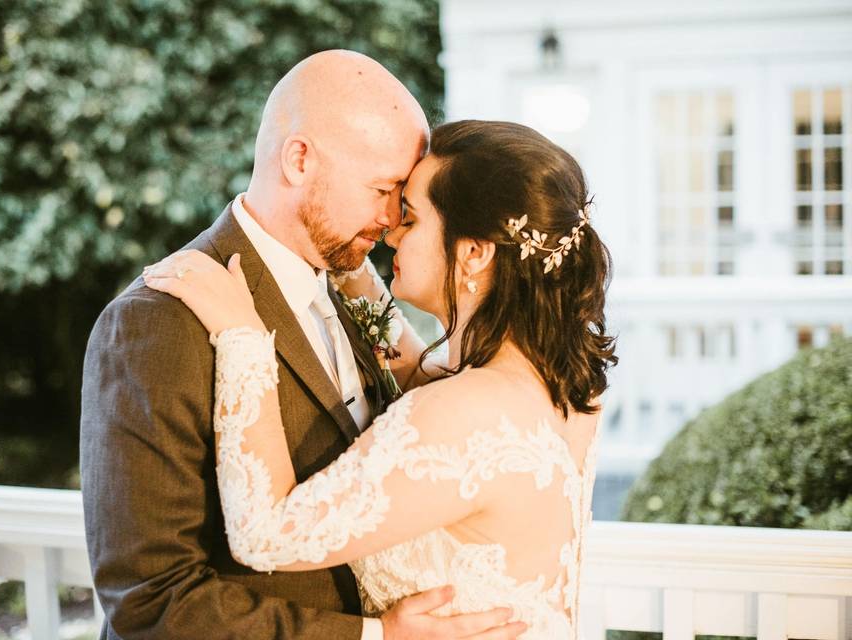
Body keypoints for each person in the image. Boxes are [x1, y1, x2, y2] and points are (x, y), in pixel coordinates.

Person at [81, 50, 524, 639]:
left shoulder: (352, 290)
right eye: (382, 188)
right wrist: (375, 636)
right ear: (298, 159)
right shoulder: (155, 323)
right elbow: (151, 603)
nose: (394, 220)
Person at [142, 119, 618, 638]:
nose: (390, 231)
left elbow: (264, 535)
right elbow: (418, 371)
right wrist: (349, 260)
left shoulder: (462, 411)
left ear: (474, 252)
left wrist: (241, 336)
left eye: (410, 219)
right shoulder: (564, 388)